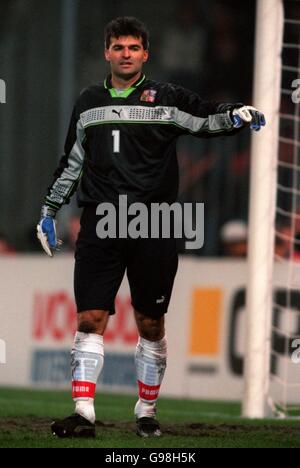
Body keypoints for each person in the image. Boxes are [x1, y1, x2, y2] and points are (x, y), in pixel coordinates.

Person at [37, 16, 266, 439]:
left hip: (154, 225)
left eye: (133, 48)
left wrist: (236, 114)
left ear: (146, 53)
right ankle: (83, 413)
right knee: (90, 317)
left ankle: (145, 412)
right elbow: (72, 161)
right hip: (100, 224)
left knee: (151, 323)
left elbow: (203, 118)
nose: (125, 54)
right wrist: (49, 210)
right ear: (107, 52)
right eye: (118, 47)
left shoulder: (166, 98)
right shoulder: (88, 101)